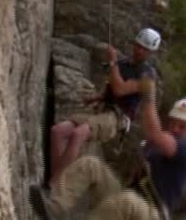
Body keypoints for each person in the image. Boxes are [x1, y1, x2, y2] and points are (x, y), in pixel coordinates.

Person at [32, 74, 186, 220]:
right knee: (91, 166)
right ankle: (55, 209)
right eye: (173, 123)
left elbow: (154, 133)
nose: (174, 128)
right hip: (128, 200)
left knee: (127, 202)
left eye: (181, 126)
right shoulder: (155, 146)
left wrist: (148, 96)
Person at [49, 28, 161, 186]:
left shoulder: (147, 76)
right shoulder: (123, 64)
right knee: (58, 131)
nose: (139, 50)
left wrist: (113, 62)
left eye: (144, 49)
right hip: (102, 110)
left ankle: (56, 185)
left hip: (117, 117)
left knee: (78, 134)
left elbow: (120, 89)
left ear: (151, 53)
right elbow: (111, 88)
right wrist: (96, 97)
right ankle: (55, 181)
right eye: (138, 46)